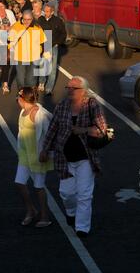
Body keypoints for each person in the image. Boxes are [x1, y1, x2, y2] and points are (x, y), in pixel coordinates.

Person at [39, 76, 108, 237]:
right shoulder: (61, 106)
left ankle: (82, 227)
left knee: (84, 194)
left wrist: (83, 130)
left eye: (73, 88)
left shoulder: (92, 105)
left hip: (86, 158)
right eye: (68, 88)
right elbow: (52, 129)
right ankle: (71, 212)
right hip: (64, 158)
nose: (69, 91)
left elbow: (102, 130)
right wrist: (44, 149)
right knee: (66, 193)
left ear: (84, 91)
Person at [15, 87, 53, 227]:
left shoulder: (39, 114)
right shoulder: (22, 111)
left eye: (18, 98)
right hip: (25, 154)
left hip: (38, 154)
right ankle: (31, 210)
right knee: (19, 183)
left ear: (22, 98)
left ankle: (45, 216)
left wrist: (46, 151)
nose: (17, 100)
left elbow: (49, 134)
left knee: (38, 186)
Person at [9, 10, 48, 90]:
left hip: (34, 57)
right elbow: (10, 40)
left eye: (29, 19)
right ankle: (21, 93)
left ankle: (30, 95)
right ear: (22, 18)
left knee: (31, 79)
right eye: (25, 19)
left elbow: (43, 41)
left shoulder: (37, 27)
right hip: (20, 57)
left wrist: (42, 52)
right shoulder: (16, 26)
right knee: (20, 78)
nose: (26, 21)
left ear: (32, 18)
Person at [37, 3, 67, 94]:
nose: (45, 13)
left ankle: (49, 89)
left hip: (53, 46)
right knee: (42, 66)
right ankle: (41, 83)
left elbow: (63, 34)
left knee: (53, 69)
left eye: (47, 11)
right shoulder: (40, 20)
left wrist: (58, 43)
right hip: (43, 46)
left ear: (52, 12)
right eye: (44, 11)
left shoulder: (58, 21)